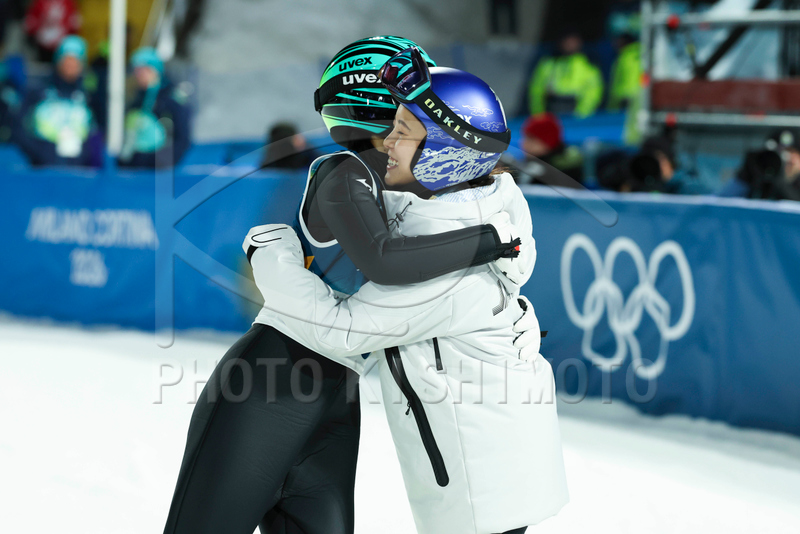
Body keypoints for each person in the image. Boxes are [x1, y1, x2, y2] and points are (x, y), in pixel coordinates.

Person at [162, 36, 539, 534]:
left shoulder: (415, 182)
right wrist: (492, 242)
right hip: (268, 383)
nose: (420, 108)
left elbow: (493, 214)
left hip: (337, 395)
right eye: (408, 100)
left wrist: (506, 294)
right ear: (376, 101)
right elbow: (385, 261)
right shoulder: (345, 172)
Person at [16, 35, 103, 167]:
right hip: (43, 169)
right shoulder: (39, 91)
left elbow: (97, 131)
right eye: (67, 60)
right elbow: (19, 127)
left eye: (76, 61)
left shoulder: (89, 96)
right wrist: (40, 154)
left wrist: (86, 156)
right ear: (58, 61)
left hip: (79, 170)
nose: (71, 65)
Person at [118, 47, 191, 168]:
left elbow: (182, 138)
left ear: (155, 71)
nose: (138, 75)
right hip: (135, 167)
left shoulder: (171, 100)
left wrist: (162, 161)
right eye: (137, 71)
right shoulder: (136, 101)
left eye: (143, 71)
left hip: (157, 168)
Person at [528, 28, 603, 118]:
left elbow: (593, 92)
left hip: (576, 111)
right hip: (551, 111)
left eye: (573, 41)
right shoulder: (548, 64)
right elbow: (536, 90)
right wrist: (539, 115)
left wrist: (581, 114)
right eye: (566, 41)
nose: (569, 44)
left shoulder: (588, 65)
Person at [519, 112, 583, 184]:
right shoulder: (527, 162)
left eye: (531, 140)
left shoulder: (568, 164)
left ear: (547, 142)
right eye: (524, 138)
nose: (524, 144)